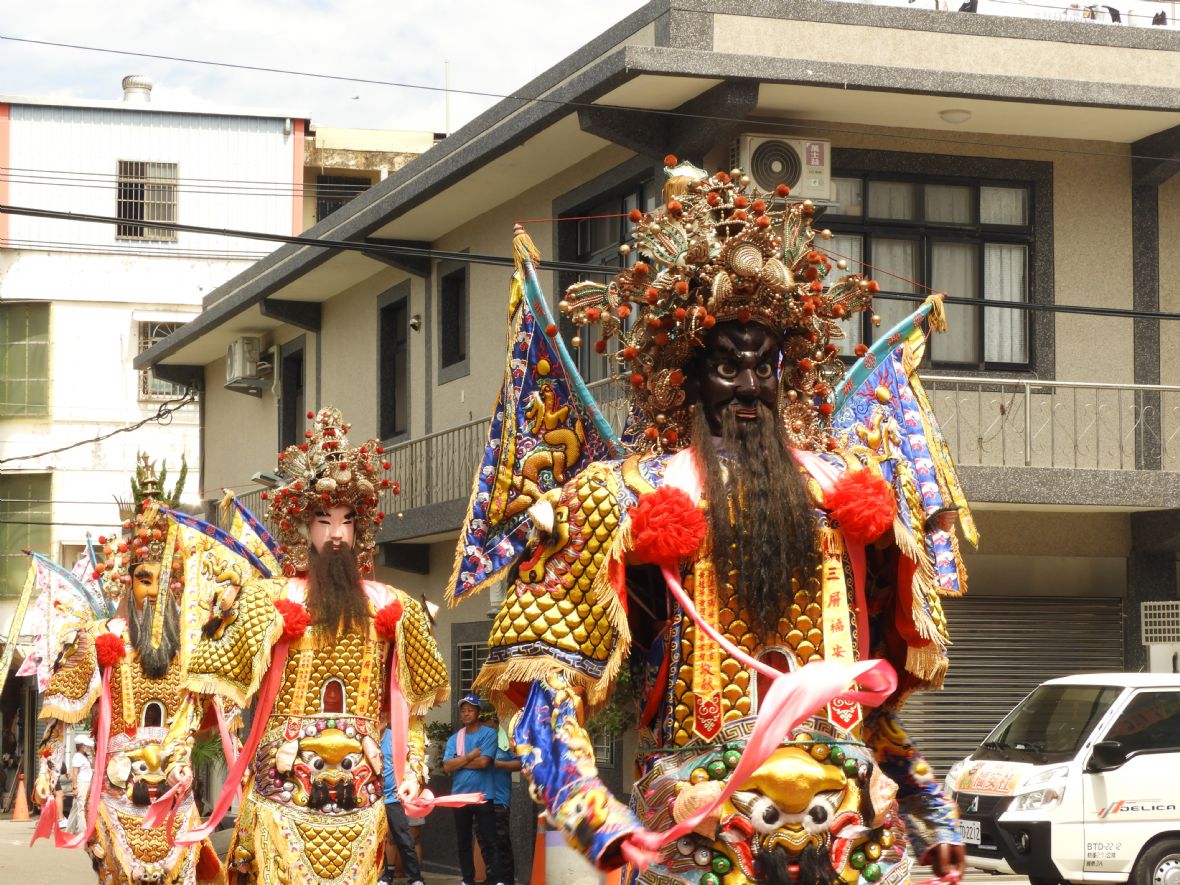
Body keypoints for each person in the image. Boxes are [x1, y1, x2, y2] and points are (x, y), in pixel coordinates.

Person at [462, 161, 976, 883]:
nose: (748, 387)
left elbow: (874, 706)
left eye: (765, 366)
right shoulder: (622, 496)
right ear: (688, 376)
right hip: (701, 833)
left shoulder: (845, 499)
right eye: (727, 365)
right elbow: (542, 685)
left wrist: (929, 807)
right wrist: (587, 807)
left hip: (848, 832)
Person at [182, 407, 450, 884]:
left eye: (347, 522)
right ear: (303, 528)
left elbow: (416, 707)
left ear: (360, 530)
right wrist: (268, 631)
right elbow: (210, 669)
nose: (336, 534)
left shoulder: (394, 605)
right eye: (323, 521)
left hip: (361, 793)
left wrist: (414, 769)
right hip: (284, 787)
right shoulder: (267, 598)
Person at [31, 456, 224, 883]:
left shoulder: (191, 647)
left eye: (163, 579)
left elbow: (221, 717)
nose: (153, 591)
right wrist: (47, 771)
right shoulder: (101, 638)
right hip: (118, 794)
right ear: (127, 579)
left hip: (175, 792)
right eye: (143, 578)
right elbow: (63, 713)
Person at [443, 694, 502, 885]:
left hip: (483, 794)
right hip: (459, 796)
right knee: (463, 840)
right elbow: (447, 767)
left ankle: (495, 879)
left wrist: (459, 761)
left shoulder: (489, 734)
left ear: (478, 712)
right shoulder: (455, 738)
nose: (466, 714)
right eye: (463, 711)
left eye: (470, 710)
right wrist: (470, 756)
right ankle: (467, 879)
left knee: (489, 839)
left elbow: (484, 762)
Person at [380, 726, 427, 885]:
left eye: (383, 716)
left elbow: (412, 761)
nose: (380, 720)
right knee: (379, 840)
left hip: (394, 797)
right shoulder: (365, 735)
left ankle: (415, 878)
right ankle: (386, 875)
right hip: (371, 798)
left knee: (404, 838)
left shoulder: (395, 737)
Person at [488, 713, 520, 885]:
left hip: (500, 800)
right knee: (486, 842)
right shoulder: (480, 739)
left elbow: (521, 763)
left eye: (487, 723)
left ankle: (506, 880)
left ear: (494, 722)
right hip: (482, 799)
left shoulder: (506, 742)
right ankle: (492, 878)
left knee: (501, 841)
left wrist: (499, 764)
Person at [63, 734, 94, 835]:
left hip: (85, 783)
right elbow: (75, 773)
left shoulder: (83, 756)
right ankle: (83, 831)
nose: (87, 747)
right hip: (82, 784)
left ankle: (69, 830)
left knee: (75, 808)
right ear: (81, 745)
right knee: (81, 807)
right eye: (85, 745)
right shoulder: (77, 757)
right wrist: (75, 788)